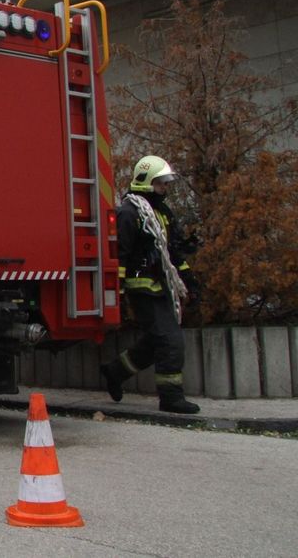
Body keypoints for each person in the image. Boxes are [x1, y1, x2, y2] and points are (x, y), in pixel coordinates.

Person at [100, 155, 200, 414]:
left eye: (166, 183)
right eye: (160, 183)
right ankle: (171, 397)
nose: (164, 188)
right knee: (170, 341)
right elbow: (120, 256)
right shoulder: (129, 213)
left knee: (156, 341)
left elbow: (173, 253)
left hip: (164, 287)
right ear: (146, 182)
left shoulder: (162, 213)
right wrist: (118, 294)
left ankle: (114, 372)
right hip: (142, 289)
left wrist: (190, 281)